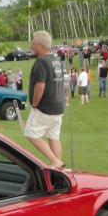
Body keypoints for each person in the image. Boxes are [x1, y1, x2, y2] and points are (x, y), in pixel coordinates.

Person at [23, 30, 66, 169]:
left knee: (30, 133)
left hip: (45, 106)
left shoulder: (41, 62)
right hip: (58, 106)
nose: (32, 45)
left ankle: (55, 161)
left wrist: (35, 104)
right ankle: (58, 170)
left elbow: (40, 86)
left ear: (40, 44)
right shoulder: (56, 60)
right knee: (54, 136)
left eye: (33, 43)